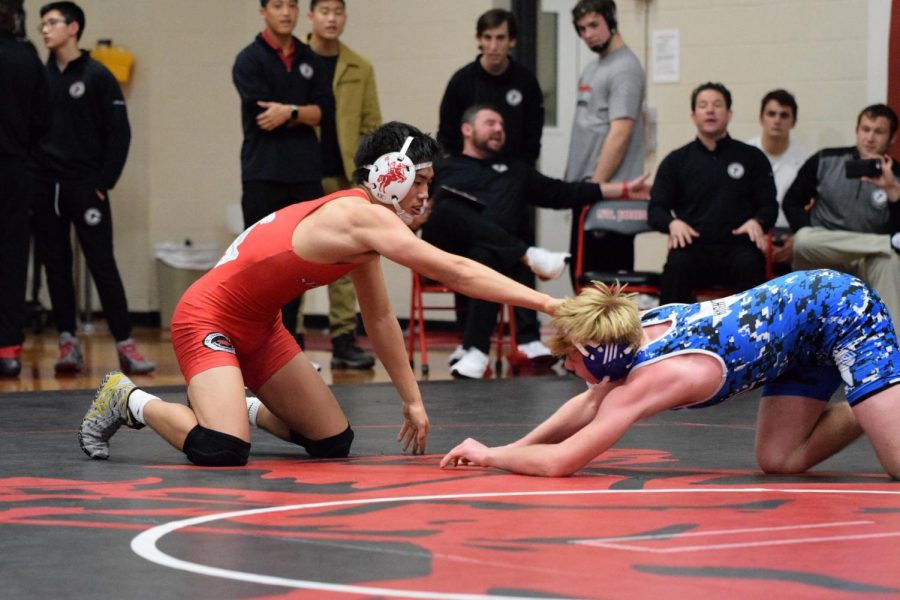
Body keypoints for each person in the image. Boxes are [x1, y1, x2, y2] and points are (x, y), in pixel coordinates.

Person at [77, 122, 564, 467]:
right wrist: (548, 303)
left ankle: (240, 406)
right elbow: (455, 270)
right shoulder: (362, 216)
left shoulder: (368, 234)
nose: (426, 197)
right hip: (207, 320)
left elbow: (378, 320)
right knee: (222, 449)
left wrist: (412, 399)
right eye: (421, 182)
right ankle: (129, 400)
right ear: (391, 173)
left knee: (333, 441)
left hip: (261, 329)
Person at [441, 269, 900, 479]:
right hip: (799, 340)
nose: (568, 368)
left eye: (572, 359)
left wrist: (490, 456)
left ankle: (877, 392)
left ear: (599, 355)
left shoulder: (651, 379)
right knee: (779, 460)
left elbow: (562, 462)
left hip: (841, 311)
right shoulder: (634, 328)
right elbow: (586, 402)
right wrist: (513, 447)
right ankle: (871, 399)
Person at [424, 104, 650, 379]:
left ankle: (476, 349)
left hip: (488, 259)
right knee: (448, 209)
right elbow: (417, 209)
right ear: (467, 130)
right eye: (490, 123)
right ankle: (527, 262)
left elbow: (563, 192)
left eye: (502, 126)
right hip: (447, 252)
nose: (498, 129)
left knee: (490, 253)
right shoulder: (445, 167)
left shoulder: (516, 169)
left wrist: (623, 189)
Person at [32, 1, 154, 375]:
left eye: (52, 22)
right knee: (56, 266)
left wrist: (103, 183)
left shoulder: (99, 76)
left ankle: (125, 344)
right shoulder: (39, 78)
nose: (45, 30)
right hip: (46, 186)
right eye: (43, 24)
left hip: (87, 187)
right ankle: (68, 341)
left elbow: (120, 134)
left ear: (73, 28)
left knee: (103, 264)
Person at [232, 0, 334, 348]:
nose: (286, 12)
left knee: (299, 260)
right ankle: (253, 341)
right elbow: (262, 112)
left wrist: (289, 110)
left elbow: (324, 112)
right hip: (262, 172)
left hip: (305, 173)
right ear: (263, 11)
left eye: (292, 5)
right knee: (259, 262)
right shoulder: (249, 59)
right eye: (277, 5)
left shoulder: (311, 59)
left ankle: (289, 343)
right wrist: (302, 112)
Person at [647, 82, 778, 304]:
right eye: (703, 105)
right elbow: (656, 209)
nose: (710, 110)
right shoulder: (676, 161)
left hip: (738, 247)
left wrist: (758, 221)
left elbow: (770, 206)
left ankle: (752, 337)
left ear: (729, 114)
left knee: (751, 263)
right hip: (693, 248)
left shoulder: (752, 157)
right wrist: (672, 223)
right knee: (676, 266)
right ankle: (670, 336)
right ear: (693, 115)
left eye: (717, 105)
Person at [304, 0, 379, 370]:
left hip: (342, 174)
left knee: (345, 259)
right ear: (311, 17)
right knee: (295, 256)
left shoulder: (359, 66)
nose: (332, 19)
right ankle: (290, 339)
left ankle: (344, 339)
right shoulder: (295, 61)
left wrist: (366, 175)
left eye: (338, 12)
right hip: (300, 173)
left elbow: (371, 125)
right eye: (324, 12)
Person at [783, 103, 900, 332]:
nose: (870, 138)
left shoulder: (897, 176)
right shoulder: (825, 159)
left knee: (891, 260)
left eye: (878, 132)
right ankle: (885, 243)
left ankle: (892, 355)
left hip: (867, 260)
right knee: (804, 238)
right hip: (823, 251)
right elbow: (791, 201)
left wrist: (894, 193)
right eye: (865, 129)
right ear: (857, 131)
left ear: (892, 137)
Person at [566, 0, 646, 281]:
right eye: (581, 29)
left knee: (603, 287)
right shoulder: (593, 68)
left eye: (593, 25)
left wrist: (597, 188)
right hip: (586, 188)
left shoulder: (625, 68)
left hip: (605, 195)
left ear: (611, 21)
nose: (588, 34)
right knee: (581, 277)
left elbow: (621, 131)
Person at [0, 0, 49, 377]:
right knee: (12, 258)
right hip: (14, 168)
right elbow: (42, 120)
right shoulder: (26, 58)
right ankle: (8, 348)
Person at [437, 8, 544, 163]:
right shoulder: (461, 81)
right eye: (488, 38)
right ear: (479, 40)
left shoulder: (526, 82)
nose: (494, 46)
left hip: (513, 173)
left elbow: (532, 139)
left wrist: (521, 174)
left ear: (512, 40)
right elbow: (447, 137)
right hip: (468, 173)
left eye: (500, 38)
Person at [747, 89, 810, 271]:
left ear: (793, 122)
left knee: (809, 253)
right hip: (752, 232)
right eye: (771, 114)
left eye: (784, 115)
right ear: (761, 118)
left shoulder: (806, 160)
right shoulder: (744, 154)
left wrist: (795, 240)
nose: (777, 120)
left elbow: (812, 209)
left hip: (791, 233)